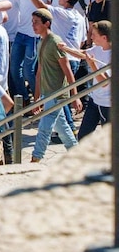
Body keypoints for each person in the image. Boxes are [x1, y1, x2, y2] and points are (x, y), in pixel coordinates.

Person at [29, 8, 80, 162]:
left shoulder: (55, 42)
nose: (33, 25)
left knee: (44, 129)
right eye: (32, 22)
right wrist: (37, 98)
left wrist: (75, 96)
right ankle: (78, 155)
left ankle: (36, 159)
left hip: (57, 94)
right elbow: (39, 71)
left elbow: (68, 71)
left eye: (36, 22)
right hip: (47, 92)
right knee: (63, 129)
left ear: (47, 23)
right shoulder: (40, 42)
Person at [60, 20, 111, 140]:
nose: (91, 37)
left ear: (104, 37)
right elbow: (82, 54)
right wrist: (65, 49)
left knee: (109, 139)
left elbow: (104, 82)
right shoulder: (97, 48)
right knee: (83, 135)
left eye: (94, 34)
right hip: (95, 100)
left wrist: (92, 65)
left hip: (107, 104)